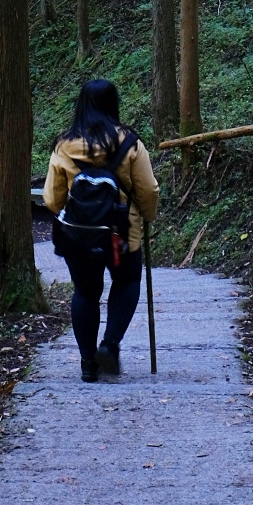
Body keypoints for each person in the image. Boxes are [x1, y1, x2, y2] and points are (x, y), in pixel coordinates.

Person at [43, 78, 159, 381]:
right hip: (121, 233)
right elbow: (147, 189)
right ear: (113, 104)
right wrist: (147, 216)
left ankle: (87, 363)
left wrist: (73, 215)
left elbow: (52, 198)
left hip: (78, 235)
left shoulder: (63, 145)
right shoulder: (130, 143)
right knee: (127, 280)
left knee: (85, 291)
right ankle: (109, 345)